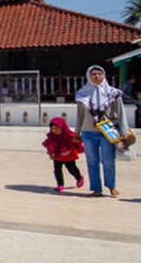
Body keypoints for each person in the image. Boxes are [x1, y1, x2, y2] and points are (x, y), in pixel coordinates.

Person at [75, 65, 126, 197]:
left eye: (99, 74)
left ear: (104, 76)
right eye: (93, 74)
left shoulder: (113, 93)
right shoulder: (82, 93)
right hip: (88, 131)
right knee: (92, 161)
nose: (97, 76)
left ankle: (111, 186)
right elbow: (80, 114)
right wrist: (77, 131)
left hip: (108, 129)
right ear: (88, 76)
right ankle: (96, 189)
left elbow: (121, 113)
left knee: (108, 160)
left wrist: (124, 130)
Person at [43, 116, 85, 192]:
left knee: (72, 169)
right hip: (57, 157)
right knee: (57, 170)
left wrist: (78, 140)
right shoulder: (52, 137)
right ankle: (60, 184)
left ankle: (79, 178)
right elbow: (49, 146)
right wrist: (50, 154)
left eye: (57, 129)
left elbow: (78, 141)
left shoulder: (69, 135)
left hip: (69, 157)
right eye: (53, 129)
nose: (55, 131)